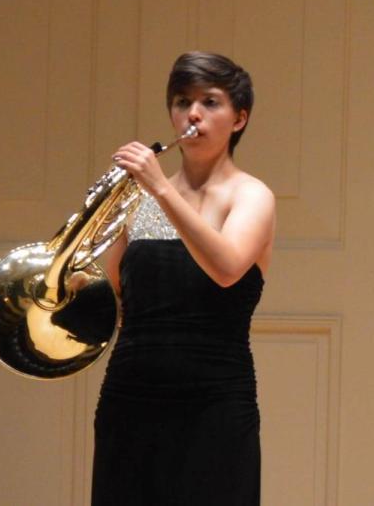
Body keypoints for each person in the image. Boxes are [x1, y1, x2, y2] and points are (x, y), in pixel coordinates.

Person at [92, 51, 276, 505]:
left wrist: (158, 188)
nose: (192, 114)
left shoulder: (250, 195)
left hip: (214, 404)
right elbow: (115, 290)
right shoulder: (139, 195)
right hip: (131, 397)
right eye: (181, 101)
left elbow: (227, 267)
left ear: (239, 119)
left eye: (210, 102)